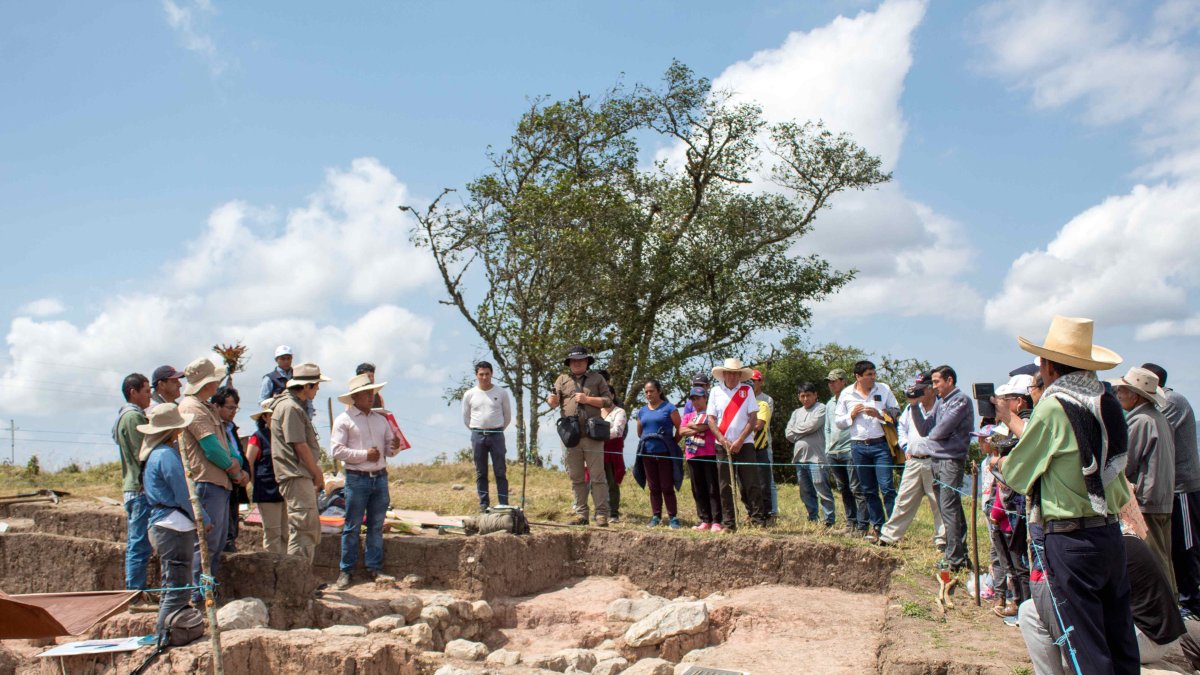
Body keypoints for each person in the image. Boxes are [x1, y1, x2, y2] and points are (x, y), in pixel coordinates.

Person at [996, 315, 1137, 674]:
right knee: (1119, 637)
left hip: (1071, 538)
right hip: (1109, 529)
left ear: (1048, 365)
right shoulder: (1106, 400)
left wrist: (1000, 461)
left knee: (1086, 645)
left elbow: (1018, 473)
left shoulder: (1055, 405)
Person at [1018, 526, 1186, 673]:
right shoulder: (1118, 536)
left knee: (1030, 611)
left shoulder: (1092, 546)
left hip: (1147, 639)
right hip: (1158, 634)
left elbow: (1075, 603)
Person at [177, 357, 248, 603]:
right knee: (206, 545)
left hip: (217, 482)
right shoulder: (193, 408)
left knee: (215, 545)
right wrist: (234, 470)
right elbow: (211, 448)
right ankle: (199, 597)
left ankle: (206, 594)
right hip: (208, 482)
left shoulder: (202, 405)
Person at [138, 403, 209, 639]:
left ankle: (166, 633)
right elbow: (183, 492)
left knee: (173, 584)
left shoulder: (155, 454)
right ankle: (164, 636)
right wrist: (203, 518)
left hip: (164, 522)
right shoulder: (166, 455)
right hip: (173, 524)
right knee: (177, 588)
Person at [1141, 362, 1200, 618]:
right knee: (1172, 546)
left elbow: (1153, 430)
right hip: (1170, 489)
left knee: (1186, 546)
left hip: (1183, 487)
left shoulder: (1172, 401)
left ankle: (1192, 602)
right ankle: (1181, 599)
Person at [1110, 366, 1176, 591]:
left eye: (1122, 390)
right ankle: (1171, 604)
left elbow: (1125, 463)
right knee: (1164, 555)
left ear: (1135, 395)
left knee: (1153, 559)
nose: (1118, 395)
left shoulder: (1140, 421)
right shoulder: (1157, 417)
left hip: (1148, 500)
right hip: (1163, 497)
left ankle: (1165, 610)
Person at [332, 373, 400, 589]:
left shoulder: (381, 420)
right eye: (366, 393)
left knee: (376, 525)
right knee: (352, 526)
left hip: (379, 476)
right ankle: (346, 570)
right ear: (355, 397)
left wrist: (394, 446)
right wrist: (364, 455)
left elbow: (390, 449)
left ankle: (374, 567)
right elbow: (336, 450)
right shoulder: (344, 420)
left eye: (371, 393)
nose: (371, 397)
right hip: (357, 477)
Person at [909, 364, 974, 569]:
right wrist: (913, 405)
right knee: (949, 508)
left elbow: (939, 432)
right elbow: (924, 429)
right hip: (937, 460)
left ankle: (954, 558)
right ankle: (959, 555)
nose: (934, 387)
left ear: (949, 380)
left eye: (937, 382)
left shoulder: (960, 400)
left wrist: (932, 436)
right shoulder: (941, 403)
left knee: (949, 508)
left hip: (951, 460)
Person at [267, 362, 329, 563]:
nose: (318, 389)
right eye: (316, 385)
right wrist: (317, 472)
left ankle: (301, 581)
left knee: (306, 528)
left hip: (297, 474)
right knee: (303, 529)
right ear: (307, 386)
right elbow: (299, 445)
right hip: (295, 474)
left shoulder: (291, 405)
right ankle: (296, 582)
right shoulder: (290, 407)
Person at [834, 360, 900, 542]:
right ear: (858, 377)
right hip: (858, 445)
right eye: (868, 375)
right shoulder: (847, 393)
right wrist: (852, 415)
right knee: (868, 489)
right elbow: (838, 421)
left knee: (887, 487)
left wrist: (879, 415)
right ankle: (877, 526)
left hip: (880, 444)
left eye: (873, 374)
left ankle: (895, 529)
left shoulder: (883, 389)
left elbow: (896, 411)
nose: (872, 377)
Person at [878, 375, 946, 550]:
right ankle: (890, 536)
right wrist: (905, 446)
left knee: (938, 502)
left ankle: (942, 539)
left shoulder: (942, 406)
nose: (918, 392)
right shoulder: (910, 407)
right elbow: (901, 428)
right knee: (904, 499)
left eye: (922, 388)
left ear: (931, 388)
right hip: (914, 460)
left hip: (935, 461)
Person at [547, 346, 613, 527]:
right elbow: (553, 402)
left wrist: (588, 400)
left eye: (581, 360)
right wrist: (551, 400)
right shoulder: (561, 379)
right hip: (570, 435)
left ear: (587, 362)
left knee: (598, 477)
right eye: (573, 360)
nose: (577, 363)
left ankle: (601, 515)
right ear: (569, 363)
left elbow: (608, 401)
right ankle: (581, 514)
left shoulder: (597, 378)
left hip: (593, 434)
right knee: (576, 477)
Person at [706, 358, 767, 529]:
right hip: (722, 444)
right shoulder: (715, 391)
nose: (732, 377)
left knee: (751, 482)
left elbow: (753, 418)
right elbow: (711, 419)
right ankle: (729, 522)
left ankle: (758, 520)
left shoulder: (747, 390)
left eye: (735, 374)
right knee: (725, 484)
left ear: (740, 375)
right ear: (724, 374)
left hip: (745, 443)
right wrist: (722, 439)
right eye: (729, 373)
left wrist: (740, 439)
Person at [114, 373, 152, 592]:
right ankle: (134, 593)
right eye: (146, 391)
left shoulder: (125, 416)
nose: (149, 396)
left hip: (134, 487)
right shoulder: (133, 417)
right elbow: (143, 453)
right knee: (138, 544)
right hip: (138, 488)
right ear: (133, 392)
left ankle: (136, 591)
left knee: (139, 543)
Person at [461, 361, 512, 512]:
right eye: (481, 374)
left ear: (492, 374)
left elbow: (507, 415)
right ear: (476, 375)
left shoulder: (501, 393)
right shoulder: (469, 394)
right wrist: (476, 429)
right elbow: (466, 417)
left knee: (500, 470)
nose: (484, 377)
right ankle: (484, 504)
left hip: (497, 434)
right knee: (481, 471)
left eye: (487, 374)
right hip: (478, 435)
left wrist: (498, 428)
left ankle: (503, 503)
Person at [635, 380, 682, 528]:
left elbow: (680, 429)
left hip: (665, 453)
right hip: (647, 453)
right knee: (653, 486)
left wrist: (671, 442)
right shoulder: (642, 411)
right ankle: (656, 516)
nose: (649, 394)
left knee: (667, 486)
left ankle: (673, 516)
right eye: (646, 392)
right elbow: (640, 432)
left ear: (659, 391)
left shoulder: (669, 408)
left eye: (652, 391)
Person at [824, 369, 866, 534]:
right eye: (829, 381)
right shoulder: (829, 404)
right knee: (844, 488)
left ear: (843, 381)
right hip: (833, 452)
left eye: (834, 381)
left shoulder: (852, 399)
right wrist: (827, 448)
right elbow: (827, 428)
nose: (831, 384)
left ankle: (862, 525)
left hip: (850, 449)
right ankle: (851, 523)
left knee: (857, 488)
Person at [786, 382, 833, 526]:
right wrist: (801, 431)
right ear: (799, 397)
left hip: (817, 458)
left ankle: (829, 520)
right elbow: (788, 433)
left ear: (815, 395)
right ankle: (813, 518)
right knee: (805, 492)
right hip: (800, 459)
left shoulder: (821, 408)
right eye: (802, 396)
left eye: (808, 395)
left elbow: (813, 425)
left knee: (822, 490)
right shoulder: (796, 412)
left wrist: (797, 431)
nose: (806, 399)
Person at [211, 386, 248, 553]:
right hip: (219, 484)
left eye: (235, 408)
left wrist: (246, 474)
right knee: (214, 541)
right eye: (230, 407)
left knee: (230, 528)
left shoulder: (232, 429)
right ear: (216, 406)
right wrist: (234, 472)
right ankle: (207, 580)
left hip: (235, 485)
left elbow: (240, 455)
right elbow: (216, 453)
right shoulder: (212, 428)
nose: (233, 412)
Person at [245, 403, 287, 553]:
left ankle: (285, 568)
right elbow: (248, 463)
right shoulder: (258, 437)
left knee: (286, 533)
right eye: (272, 414)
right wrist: (255, 484)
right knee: (273, 532)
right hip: (267, 490)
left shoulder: (285, 435)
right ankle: (272, 567)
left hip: (286, 488)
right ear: (265, 417)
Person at [681, 387, 722, 531]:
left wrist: (695, 426)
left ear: (705, 398)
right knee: (698, 488)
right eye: (693, 399)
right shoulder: (688, 415)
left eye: (698, 398)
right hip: (692, 455)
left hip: (709, 453)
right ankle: (705, 519)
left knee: (712, 487)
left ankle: (717, 520)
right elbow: (681, 431)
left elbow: (709, 425)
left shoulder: (711, 414)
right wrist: (698, 427)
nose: (695, 401)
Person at [597, 370, 628, 523]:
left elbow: (617, 431)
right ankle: (599, 511)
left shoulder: (619, 411)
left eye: (608, 395)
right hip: (596, 452)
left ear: (613, 396)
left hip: (612, 452)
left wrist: (597, 434)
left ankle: (613, 512)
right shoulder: (595, 411)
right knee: (595, 483)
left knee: (611, 483)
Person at [751, 371, 778, 519]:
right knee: (750, 481)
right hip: (747, 445)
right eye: (749, 381)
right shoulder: (743, 398)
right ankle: (754, 511)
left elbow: (760, 424)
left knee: (769, 480)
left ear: (760, 382)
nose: (752, 384)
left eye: (754, 381)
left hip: (763, 444)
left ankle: (772, 511)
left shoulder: (767, 400)